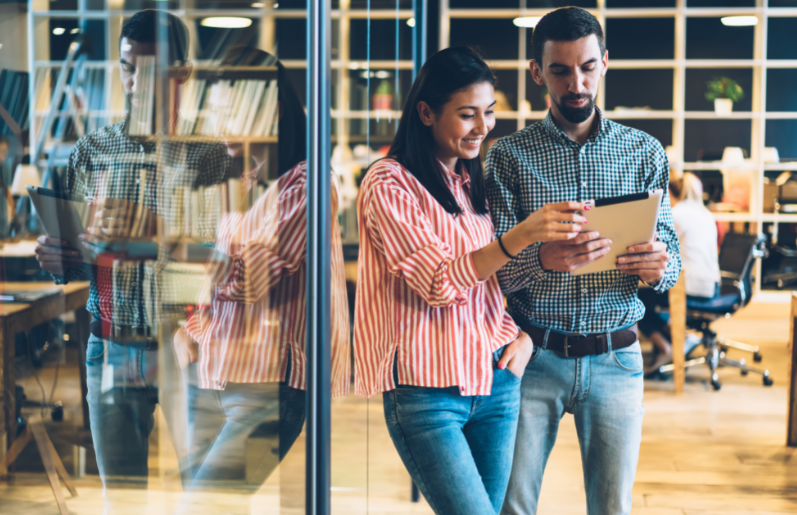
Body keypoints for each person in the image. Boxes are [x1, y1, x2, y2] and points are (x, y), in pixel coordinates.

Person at [354, 46, 590, 515]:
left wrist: (520, 337)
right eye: (467, 115)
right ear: (425, 112)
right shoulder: (388, 184)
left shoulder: (469, 182)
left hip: (495, 381)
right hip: (426, 395)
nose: (483, 128)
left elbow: (489, 282)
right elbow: (440, 283)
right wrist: (523, 234)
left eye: (489, 113)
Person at [33, 9, 234, 509]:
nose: (136, 82)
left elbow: (219, 263)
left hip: (188, 349)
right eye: (128, 68)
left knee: (210, 497)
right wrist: (59, 259)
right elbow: (81, 260)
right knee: (121, 501)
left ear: (182, 75)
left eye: (153, 71)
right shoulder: (90, 152)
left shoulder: (207, 155)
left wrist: (151, 236)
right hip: (110, 347)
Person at [484, 7, 681, 515]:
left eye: (588, 67)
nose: (577, 83)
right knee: (513, 505)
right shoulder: (507, 157)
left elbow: (672, 261)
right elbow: (492, 273)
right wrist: (541, 259)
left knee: (612, 508)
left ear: (605, 63)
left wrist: (658, 265)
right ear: (536, 71)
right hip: (532, 357)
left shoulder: (644, 152)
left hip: (616, 356)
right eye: (561, 70)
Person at [170, 47, 349, 511]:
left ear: (275, 108)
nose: (222, 124)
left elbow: (248, 278)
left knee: (204, 508)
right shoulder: (242, 181)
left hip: (268, 388)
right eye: (218, 111)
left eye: (234, 109)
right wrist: (189, 330)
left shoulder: (307, 186)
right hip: (210, 374)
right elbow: (212, 275)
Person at [638, 172, 721, 373]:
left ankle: (665, 347)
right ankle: (681, 339)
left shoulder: (677, 214)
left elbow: (653, 243)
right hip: (714, 286)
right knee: (653, 295)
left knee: (638, 298)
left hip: (691, 286)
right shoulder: (706, 213)